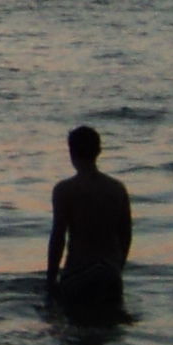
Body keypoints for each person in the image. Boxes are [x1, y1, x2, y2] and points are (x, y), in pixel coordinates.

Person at [47, 124, 134, 315]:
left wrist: (51, 280)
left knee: (76, 333)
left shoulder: (64, 189)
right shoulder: (117, 189)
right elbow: (126, 235)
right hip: (110, 273)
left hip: (78, 273)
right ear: (99, 151)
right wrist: (117, 269)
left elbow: (58, 237)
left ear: (71, 152)